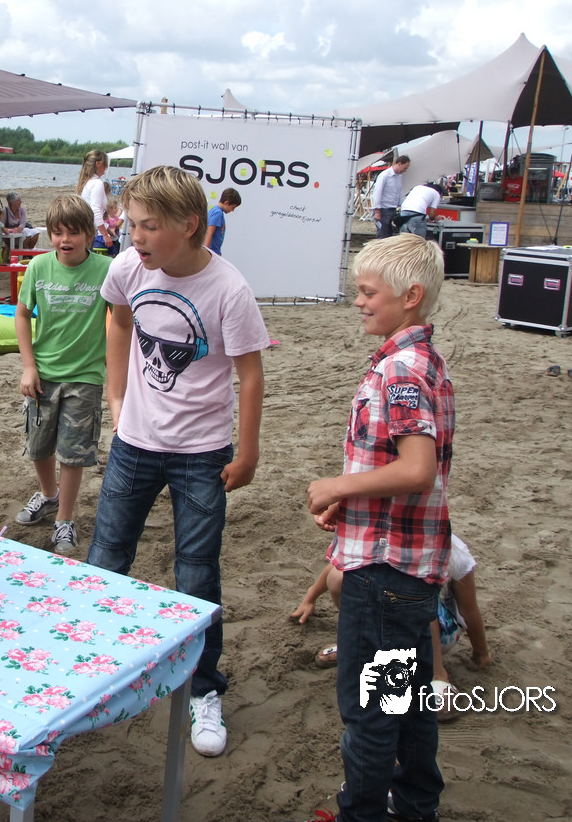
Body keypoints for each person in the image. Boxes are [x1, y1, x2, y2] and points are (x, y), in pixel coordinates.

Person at [86, 165, 269, 757]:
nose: (134, 236)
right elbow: (118, 318)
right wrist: (116, 396)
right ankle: (90, 663)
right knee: (106, 557)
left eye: (148, 226)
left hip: (201, 454)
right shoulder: (127, 267)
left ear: (190, 225)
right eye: (130, 224)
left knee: (196, 574)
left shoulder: (229, 289)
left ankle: (203, 688)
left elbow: (250, 373)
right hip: (133, 445)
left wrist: (248, 451)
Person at [305, 233, 454, 822]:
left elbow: (416, 470)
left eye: (368, 292)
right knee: (408, 704)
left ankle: (360, 812)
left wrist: (337, 487)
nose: (358, 301)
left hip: (382, 573)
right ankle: (415, 807)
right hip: (408, 563)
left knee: (369, 711)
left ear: (409, 296)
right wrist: (353, 506)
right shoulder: (424, 361)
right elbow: (401, 469)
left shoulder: (400, 371)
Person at [292, 531, 491, 719]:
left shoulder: (451, 549)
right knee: (342, 576)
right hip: (383, 620)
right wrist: (310, 597)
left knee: (418, 589)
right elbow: (339, 564)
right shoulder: (380, 533)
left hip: (435, 630)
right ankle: (355, 646)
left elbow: (468, 608)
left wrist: (480, 651)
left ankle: (437, 675)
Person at [14, 195, 112, 554]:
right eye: (57, 233)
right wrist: (29, 366)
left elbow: (120, 320)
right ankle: (48, 494)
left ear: (89, 233)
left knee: (73, 453)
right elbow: (22, 314)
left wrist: (117, 371)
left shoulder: (107, 269)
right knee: (38, 445)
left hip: (86, 375)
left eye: (73, 232)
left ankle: (65, 519)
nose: (65, 240)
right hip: (43, 374)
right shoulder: (39, 267)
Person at [77, 149, 109, 250]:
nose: (106, 168)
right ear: (98, 164)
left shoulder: (87, 182)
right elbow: (95, 210)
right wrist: (105, 234)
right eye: (105, 164)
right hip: (88, 229)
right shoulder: (97, 183)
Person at [372, 155, 410, 239]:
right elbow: (377, 193)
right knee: (382, 234)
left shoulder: (399, 176)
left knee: (390, 234)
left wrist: (401, 204)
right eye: (405, 168)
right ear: (399, 164)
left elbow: (399, 191)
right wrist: (377, 211)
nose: (405, 170)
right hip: (383, 209)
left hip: (392, 208)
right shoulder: (384, 175)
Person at [204, 187, 242, 255]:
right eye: (233, 207)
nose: (232, 210)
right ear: (226, 203)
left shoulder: (215, 211)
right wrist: (206, 253)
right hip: (212, 251)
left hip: (214, 251)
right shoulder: (217, 213)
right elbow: (209, 232)